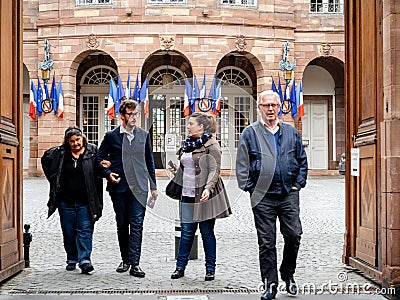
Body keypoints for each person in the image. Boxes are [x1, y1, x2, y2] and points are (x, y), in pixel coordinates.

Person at [236, 90, 308, 300]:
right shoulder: (250, 133)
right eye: (266, 105)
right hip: (263, 197)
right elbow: (242, 164)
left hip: (288, 193)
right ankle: (270, 284)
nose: (270, 109)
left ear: (279, 107)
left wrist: (297, 184)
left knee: (294, 235)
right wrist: (250, 187)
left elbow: (302, 161)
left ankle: (288, 274)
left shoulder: (291, 132)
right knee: (266, 242)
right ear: (259, 108)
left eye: (273, 105)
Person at [97, 99, 158, 277]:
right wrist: (108, 173)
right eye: (130, 114)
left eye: (136, 114)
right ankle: (125, 259)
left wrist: (153, 186)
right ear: (122, 116)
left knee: (137, 224)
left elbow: (149, 161)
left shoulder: (144, 135)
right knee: (123, 224)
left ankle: (135, 264)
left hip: (140, 187)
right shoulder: (111, 136)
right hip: (119, 187)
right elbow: (98, 159)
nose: (134, 117)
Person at [169, 112, 231, 281]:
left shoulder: (211, 145)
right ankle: (180, 268)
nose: (188, 126)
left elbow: (214, 170)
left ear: (201, 127)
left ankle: (210, 269)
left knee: (206, 232)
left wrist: (208, 188)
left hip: (204, 195)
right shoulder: (187, 144)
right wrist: (178, 171)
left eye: (191, 123)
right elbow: (187, 166)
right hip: (187, 193)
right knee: (187, 232)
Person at [41, 126, 103, 274]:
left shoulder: (93, 151)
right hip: (66, 201)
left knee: (85, 230)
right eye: (72, 141)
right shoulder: (60, 153)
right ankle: (71, 258)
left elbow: (101, 169)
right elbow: (45, 159)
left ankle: (85, 260)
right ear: (67, 142)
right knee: (68, 232)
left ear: (83, 138)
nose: (75, 144)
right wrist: (53, 180)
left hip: (86, 201)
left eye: (77, 140)